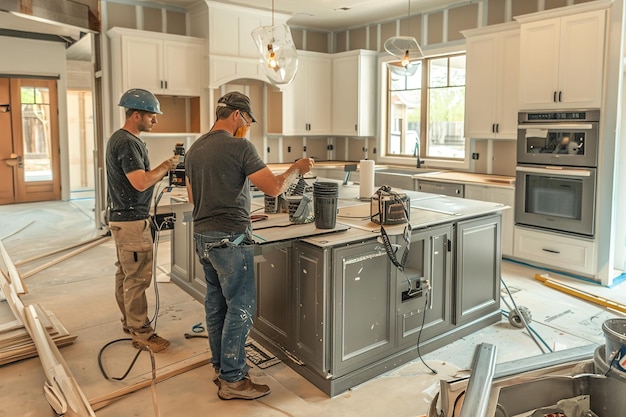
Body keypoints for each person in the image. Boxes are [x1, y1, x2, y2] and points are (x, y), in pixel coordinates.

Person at [185, 91, 314, 400]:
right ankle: (233, 379)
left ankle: (221, 368)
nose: (247, 127)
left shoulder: (195, 148)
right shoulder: (240, 146)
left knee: (216, 305)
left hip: (203, 237)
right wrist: (296, 167)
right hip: (231, 239)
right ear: (237, 116)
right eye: (247, 121)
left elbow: (193, 198)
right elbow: (273, 187)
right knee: (241, 308)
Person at [105, 88, 179, 353]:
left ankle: (130, 322)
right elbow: (140, 182)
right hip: (132, 220)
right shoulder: (127, 142)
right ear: (136, 115)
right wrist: (167, 166)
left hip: (121, 218)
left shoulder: (121, 138)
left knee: (125, 272)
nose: (155, 121)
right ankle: (142, 332)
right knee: (137, 278)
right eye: (151, 116)